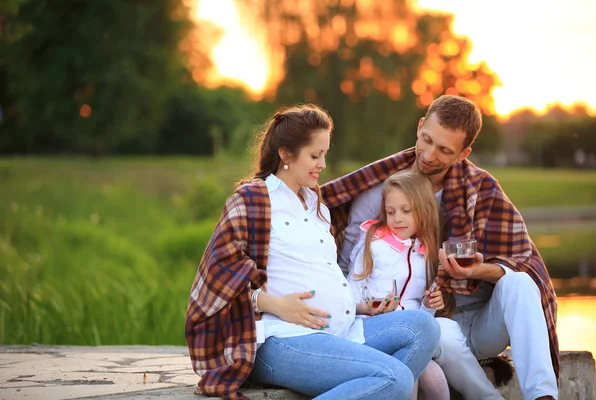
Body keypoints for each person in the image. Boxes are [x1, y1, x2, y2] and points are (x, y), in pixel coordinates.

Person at [185, 104, 440, 400]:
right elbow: (215, 279)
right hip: (284, 339)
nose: (322, 164)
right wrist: (273, 304)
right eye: (314, 155)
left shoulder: (316, 205)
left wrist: (358, 307)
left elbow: (318, 274)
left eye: (325, 155)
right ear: (285, 154)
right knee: (395, 378)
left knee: (424, 327)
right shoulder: (254, 200)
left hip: (344, 331)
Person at [321, 95, 559, 400]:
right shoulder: (382, 193)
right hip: (426, 323)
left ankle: (543, 396)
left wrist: (477, 269)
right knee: (435, 329)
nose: (430, 155)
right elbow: (345, 267)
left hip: (481, 324)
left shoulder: (482, 190)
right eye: (426, 140)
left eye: (445, 150)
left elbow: (525, 261)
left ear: (464, 153)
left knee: (521, 282)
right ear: (420, 127)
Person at [347, 170, 452, 400]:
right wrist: (366, 308)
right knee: (407, 379)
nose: (397, 218)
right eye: (391, 211)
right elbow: (349, 295)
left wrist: (429, 303)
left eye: (406, 211)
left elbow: (422, 315)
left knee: (436, 380)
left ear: (423, 210)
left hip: (412, 337)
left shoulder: (426, 252)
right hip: (373, 331)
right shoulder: (373, 243)